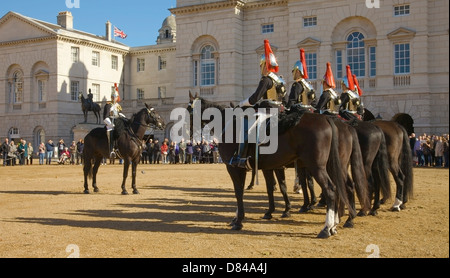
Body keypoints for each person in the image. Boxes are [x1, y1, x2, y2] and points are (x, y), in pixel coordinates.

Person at [230, 39, 286, 170]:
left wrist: (242, 103)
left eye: (261, 65)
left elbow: (255, 98)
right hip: (280, 110)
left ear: (264, 65)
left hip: (267, 111)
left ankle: (242, 158)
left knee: (247, 129)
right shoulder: (280, 81)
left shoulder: (266, 80)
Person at [104, 83, 124, 158]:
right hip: (110, 122)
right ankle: (111, 149)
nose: (115, 98)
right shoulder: (108, 105)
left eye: (116, 97)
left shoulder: (118, 106)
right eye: (114, 97)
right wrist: (110, 124)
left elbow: (120, 114)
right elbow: (105, 116)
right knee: (111, 131)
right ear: (111, 97)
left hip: (117, 121)